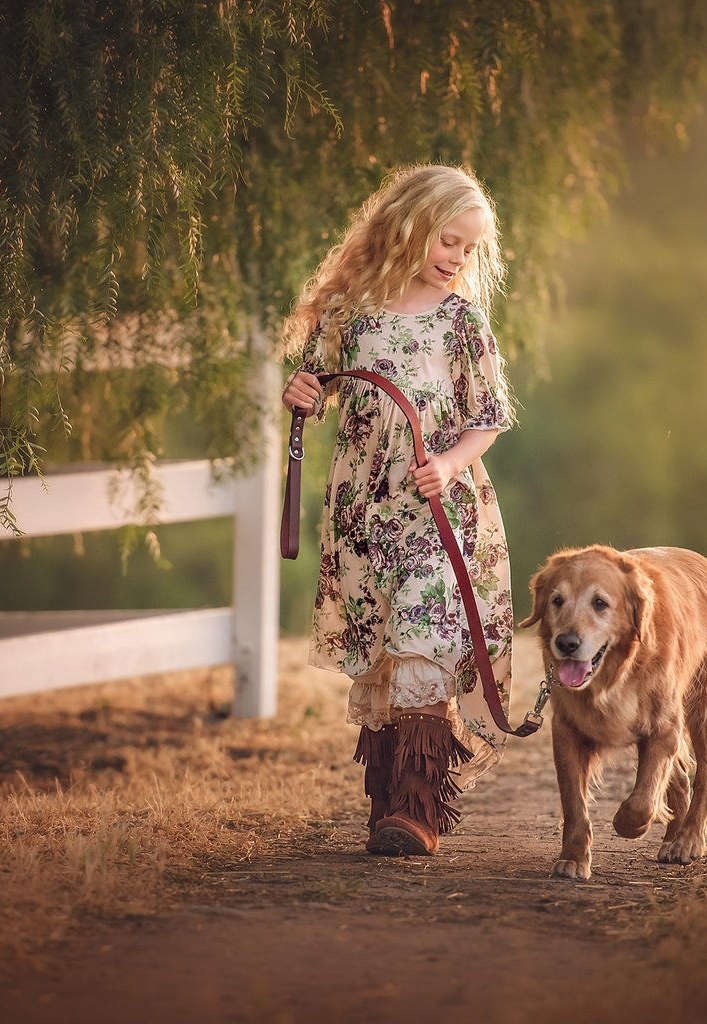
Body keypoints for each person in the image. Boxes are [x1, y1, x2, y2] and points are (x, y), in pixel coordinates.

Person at [281, 163, 515, 856]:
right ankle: (386, 805)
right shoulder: (349, 311)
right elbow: (315, 386)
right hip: (363, 512)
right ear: (409, 226)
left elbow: (490, 417)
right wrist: (300, 396)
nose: (457, 260)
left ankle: (417, 811)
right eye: (449, 241)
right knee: (381, 650)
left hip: (435, 510)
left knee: (424, 641)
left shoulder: (460, 322)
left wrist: (448, 462)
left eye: (469, 250)